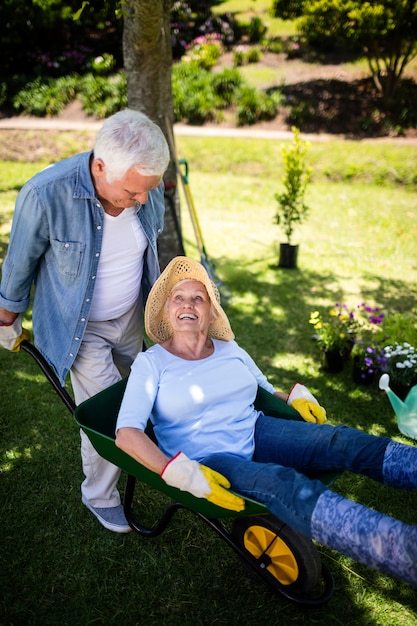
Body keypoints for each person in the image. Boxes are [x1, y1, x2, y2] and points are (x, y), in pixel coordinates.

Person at [115, 256, 417, 588]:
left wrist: (295, 397)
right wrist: (174, 471)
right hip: (206, 461)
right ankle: (400, 550)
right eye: (178, 298)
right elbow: (127, 434)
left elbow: (266, 389)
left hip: (257, 429)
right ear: (166, 312)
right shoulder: (151, 364)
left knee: (338, 440)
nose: (188, 304)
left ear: (212, 311)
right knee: (282, 484)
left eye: (197, 297)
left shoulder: (230, 349)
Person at [0, 109, 170, 533]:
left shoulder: (144, 186)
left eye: (149, 190)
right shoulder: (46, 193)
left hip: (131, 316)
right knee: (108, 409)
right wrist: (7, 316)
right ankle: (99, 494)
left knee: (140, 397)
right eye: (133, 191)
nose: (144, 200)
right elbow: (19, 262)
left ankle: (144, 461)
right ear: (100, 167)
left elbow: (149, 247)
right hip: (80, 325)